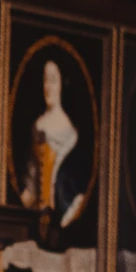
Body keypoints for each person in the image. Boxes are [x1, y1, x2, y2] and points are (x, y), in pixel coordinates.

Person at [19, 56, 90, 238]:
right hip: (38, 217)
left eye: (53, 80)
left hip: (63, 216)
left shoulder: (70, 132)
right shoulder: (38, 124)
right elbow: (32, 176)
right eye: (45, 80)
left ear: (61, 84)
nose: (48, 87)